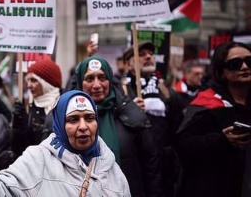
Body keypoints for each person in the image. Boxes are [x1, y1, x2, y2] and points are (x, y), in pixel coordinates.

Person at [0, 90, 131, 196]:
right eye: (73, 119)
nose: (83, 126)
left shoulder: (112, 169)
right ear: (59, 124)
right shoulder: (38, 160)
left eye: (89, 118)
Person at [74, 56, 162, 197]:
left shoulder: (132, 115)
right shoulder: (66, 120)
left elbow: (150, 166)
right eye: (90, 79)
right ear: (80, 82)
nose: (97, 85)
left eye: (102, 78)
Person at [176, 42, 251, 197]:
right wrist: (221, 140)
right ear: (221, 71)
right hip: (218, 186)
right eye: (235, 64)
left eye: (249, 61)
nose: (244, 67)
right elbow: (183, 146)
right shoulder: (206, 103)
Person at [123, 41, 185, 197]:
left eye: (150, 54)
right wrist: (130, 108)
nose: (148, 56)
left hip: (164, 166)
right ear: (128, 65)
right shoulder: (121, 92)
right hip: (136, 166)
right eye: (141, 54)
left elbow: (180, 128)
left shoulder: (166, 92)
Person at [12, 59, 62, 156]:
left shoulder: (64, 105)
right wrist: (18, 126)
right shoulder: (27, 105)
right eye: (28, 80)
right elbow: (20, 148)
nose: (29, 85)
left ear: (47, 83)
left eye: (34, 80)